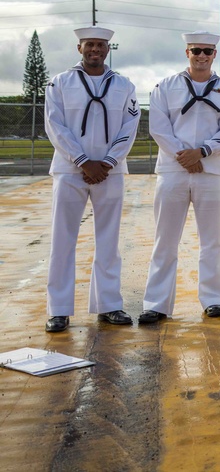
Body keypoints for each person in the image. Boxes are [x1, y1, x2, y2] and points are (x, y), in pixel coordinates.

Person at [43, 26, 140, 333]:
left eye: (100, 45)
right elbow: (54, 125)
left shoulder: (123, 85)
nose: (95, 49)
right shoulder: (60, 82)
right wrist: (83, 160)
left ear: (108, 49)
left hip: (110, 172)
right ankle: (58, 310)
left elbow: (130, 126)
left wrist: (108, 161)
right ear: (79, 48)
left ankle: (108, 305)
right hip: (70, 170)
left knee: (109, 241)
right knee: (62, 240)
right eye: (89, 45)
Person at [139, 32, 220, 323]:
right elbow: (159, 128)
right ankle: (156, 303)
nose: (202, 55)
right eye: (196, 50)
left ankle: (213, 300)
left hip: (210, 171)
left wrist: (202, 152)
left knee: (212, 240)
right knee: (165, 239)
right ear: (187, 52)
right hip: (173, 170)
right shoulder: (165, 87)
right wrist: (185, 155)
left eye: (208, 51)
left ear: (214, 55)